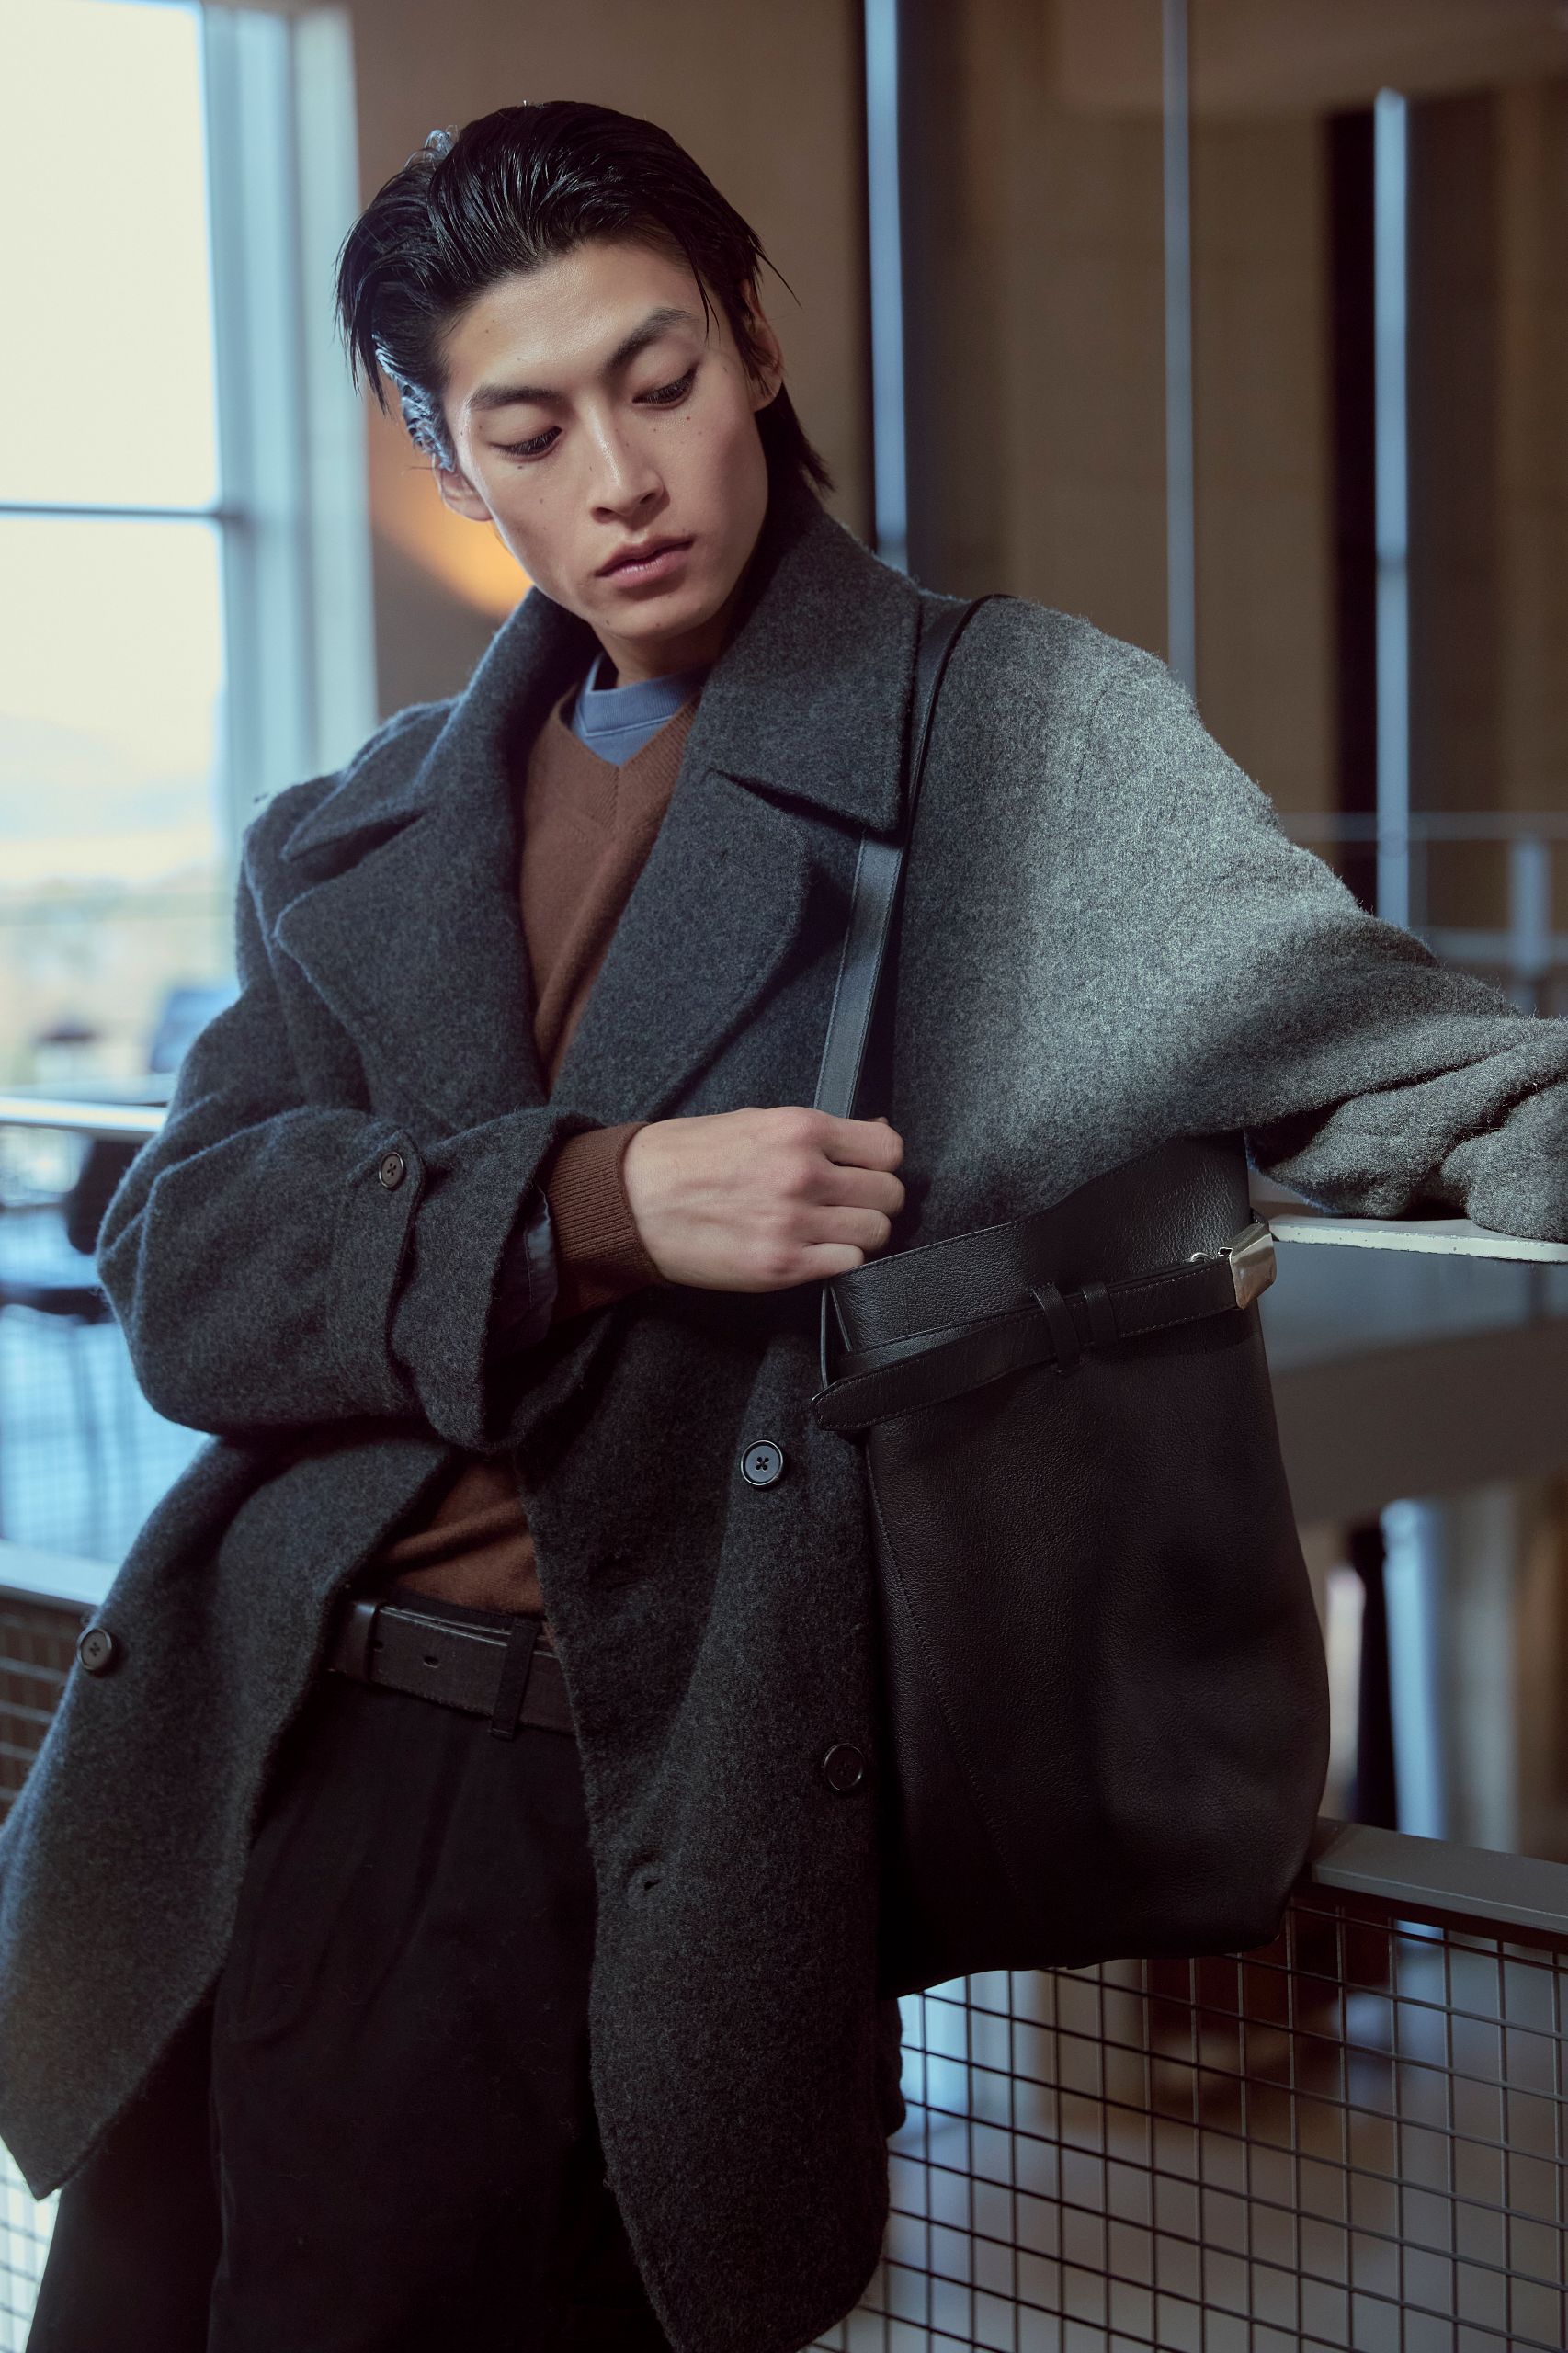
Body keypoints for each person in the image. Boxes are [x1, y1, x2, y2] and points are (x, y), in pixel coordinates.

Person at [9, 93, 1568, 2353]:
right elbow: (184, 1273)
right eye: (526, 429)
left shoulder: (1013, 741)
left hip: (606, 1785)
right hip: (238, 1744)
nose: (618, 479)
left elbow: (1437, 1077)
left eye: (655, 380)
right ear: (445, 456)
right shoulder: (362, 826)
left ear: (750, 345)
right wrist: (599, 1202)